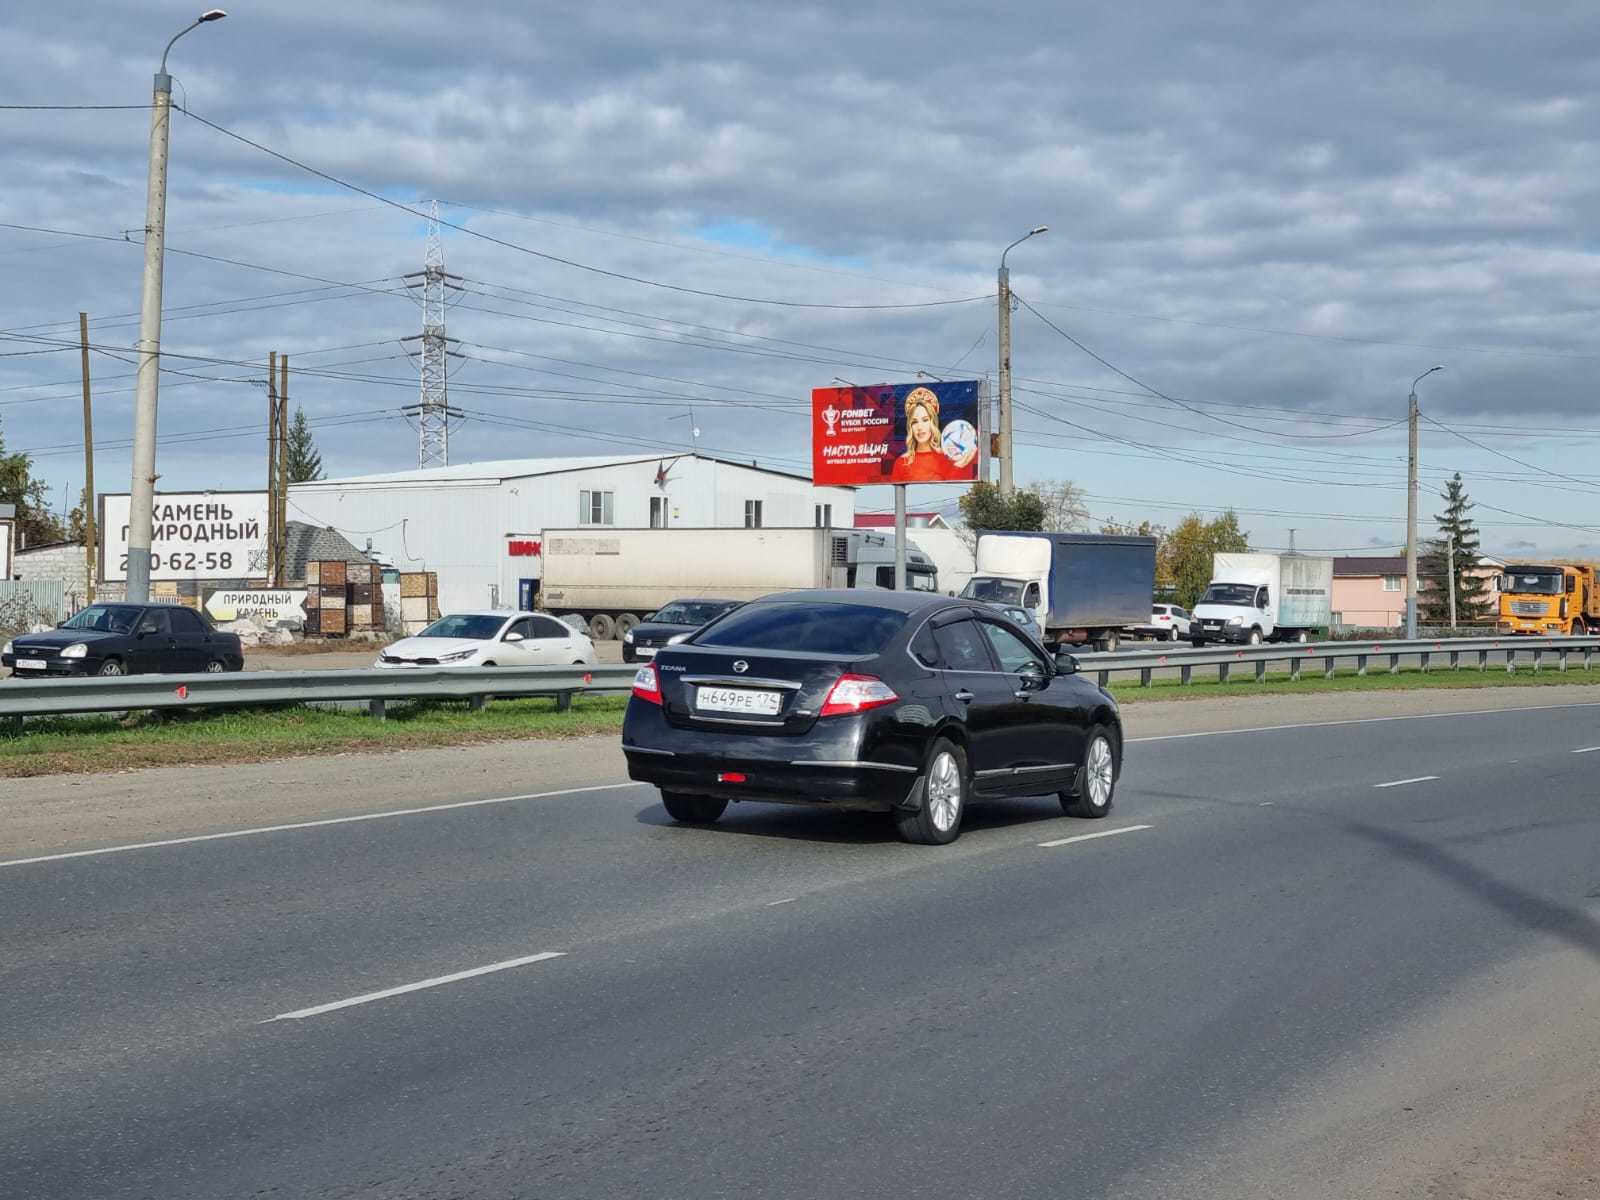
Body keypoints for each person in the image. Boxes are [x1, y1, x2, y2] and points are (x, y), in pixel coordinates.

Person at [889, 387, 976, 483]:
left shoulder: (947, 458)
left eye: (925, 420)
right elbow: (895, 495)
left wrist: (959, 467)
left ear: (933, 423)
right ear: (910, 427)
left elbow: (954, 491)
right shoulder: (901, 462)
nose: (919, 427)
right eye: (914, 422)